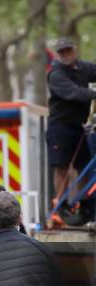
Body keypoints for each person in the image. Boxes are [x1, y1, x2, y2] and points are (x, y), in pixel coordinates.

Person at [46, 37, 96, 202]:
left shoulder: (83, 68)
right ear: (58, 55)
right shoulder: (56, 74)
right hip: (60, 127)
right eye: (62, 52)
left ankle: (83, 205)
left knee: (84, 169)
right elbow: (75, 93)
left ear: (75, 50)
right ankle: (61, 207)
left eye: (68, 50)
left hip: (78, 127)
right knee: (62, 168)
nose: (66, 54)